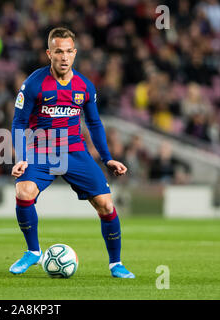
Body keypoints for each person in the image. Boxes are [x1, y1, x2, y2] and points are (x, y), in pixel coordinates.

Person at [10, 27, 135, 278]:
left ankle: (116, 264)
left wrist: (107, 156)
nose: (64, 57)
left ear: (75, 53)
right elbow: (18, 123)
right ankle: (33, 251)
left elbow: (95, 124)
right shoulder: (33, 84)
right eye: (58, 52)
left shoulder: (85, 86)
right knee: (24, 192)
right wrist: (22, 157)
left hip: (74, 151)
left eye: (68, 52)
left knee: (106, 205)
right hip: (41, 150)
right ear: (49, 54)